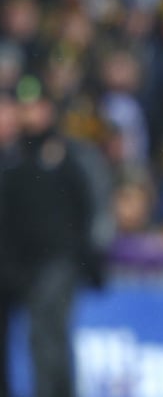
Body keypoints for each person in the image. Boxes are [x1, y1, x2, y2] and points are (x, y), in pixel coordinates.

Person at [0, 76, 107, 397]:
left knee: (48, 337)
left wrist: (91, 255)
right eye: (24, 107)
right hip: (15, 262)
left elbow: (91, 206)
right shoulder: (12, 156)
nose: (29, 113)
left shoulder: (69, 155)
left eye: (36, 106)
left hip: (57, 261)